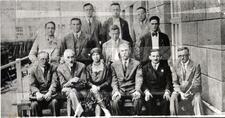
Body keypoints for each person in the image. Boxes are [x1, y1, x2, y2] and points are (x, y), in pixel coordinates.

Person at [111, 43, 143, 115]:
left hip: (132, 89)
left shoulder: (136, 64)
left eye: (126, 50)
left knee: (138, 101)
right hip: (120, 90)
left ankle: (136, 116)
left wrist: (137, 90)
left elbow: (139, 78)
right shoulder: (114, 65)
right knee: (115, 102)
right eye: (122, 51)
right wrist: (116, 91)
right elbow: (114, 80)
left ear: (129, 51)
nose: (124, 53)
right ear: (119, 52)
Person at [170, 47, 204, 115]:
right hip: (180, 92)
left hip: (192, 92)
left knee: (198, 98)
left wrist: (189, 93)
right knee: (173, 97)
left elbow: (196, 83)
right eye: (180, 56)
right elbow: (175, 82)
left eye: (184, 55)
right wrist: (180, 93)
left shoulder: (195, 65)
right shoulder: (176, 65)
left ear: (188, 55)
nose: (182, 58)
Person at [57, 49, 87, 117]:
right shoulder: (60, 69)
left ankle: (73, 115)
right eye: (68, 57)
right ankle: (80, 114)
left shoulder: (81, 66)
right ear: (64, 59)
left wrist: (73, 88)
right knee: (71, 92)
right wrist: (71, 81)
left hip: (79, 90)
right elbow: (62, 85)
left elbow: (83, 83)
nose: (70, 59)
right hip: (65, 90)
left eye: (72, 57)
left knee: (72, 94)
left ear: (75, 57)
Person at [142, 49, 173, 115]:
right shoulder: (145, 68)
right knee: (149, 103)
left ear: (160, 57)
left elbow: (168, 81)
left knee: (166, 102)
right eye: (153, 56)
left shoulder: (165, 67)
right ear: (150, 57)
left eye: (157, 56)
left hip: (162, 91)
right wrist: (146, 91)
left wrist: (167, 91)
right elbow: (143, 82)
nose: (155, 58)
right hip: (150, 92)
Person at [29, 51, 60, 116]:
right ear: (37, 59)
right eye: (42, 59)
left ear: (49, 59)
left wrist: (50, 92)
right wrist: (37, 93)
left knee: (55, 102)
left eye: (46, 59)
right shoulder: (33, 70)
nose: (45, 61)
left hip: (50, 96)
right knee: (34, 105)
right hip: (38, 97)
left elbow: (54, 82)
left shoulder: (53, 68)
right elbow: (32, 85)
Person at [86, 48, 111, 116]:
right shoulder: (89, 67)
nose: (96, 56)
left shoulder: (106, 67)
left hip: (103, 90)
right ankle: (105, 110)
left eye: (97, 54)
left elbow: (108, 81)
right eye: (93, 55)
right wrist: (93, 86)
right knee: (94, 94)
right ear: (91, 57)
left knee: (98, 103)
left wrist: (100, 87)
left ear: (100, 55)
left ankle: (103, 111)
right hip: (92, 90)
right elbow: (87, 81)